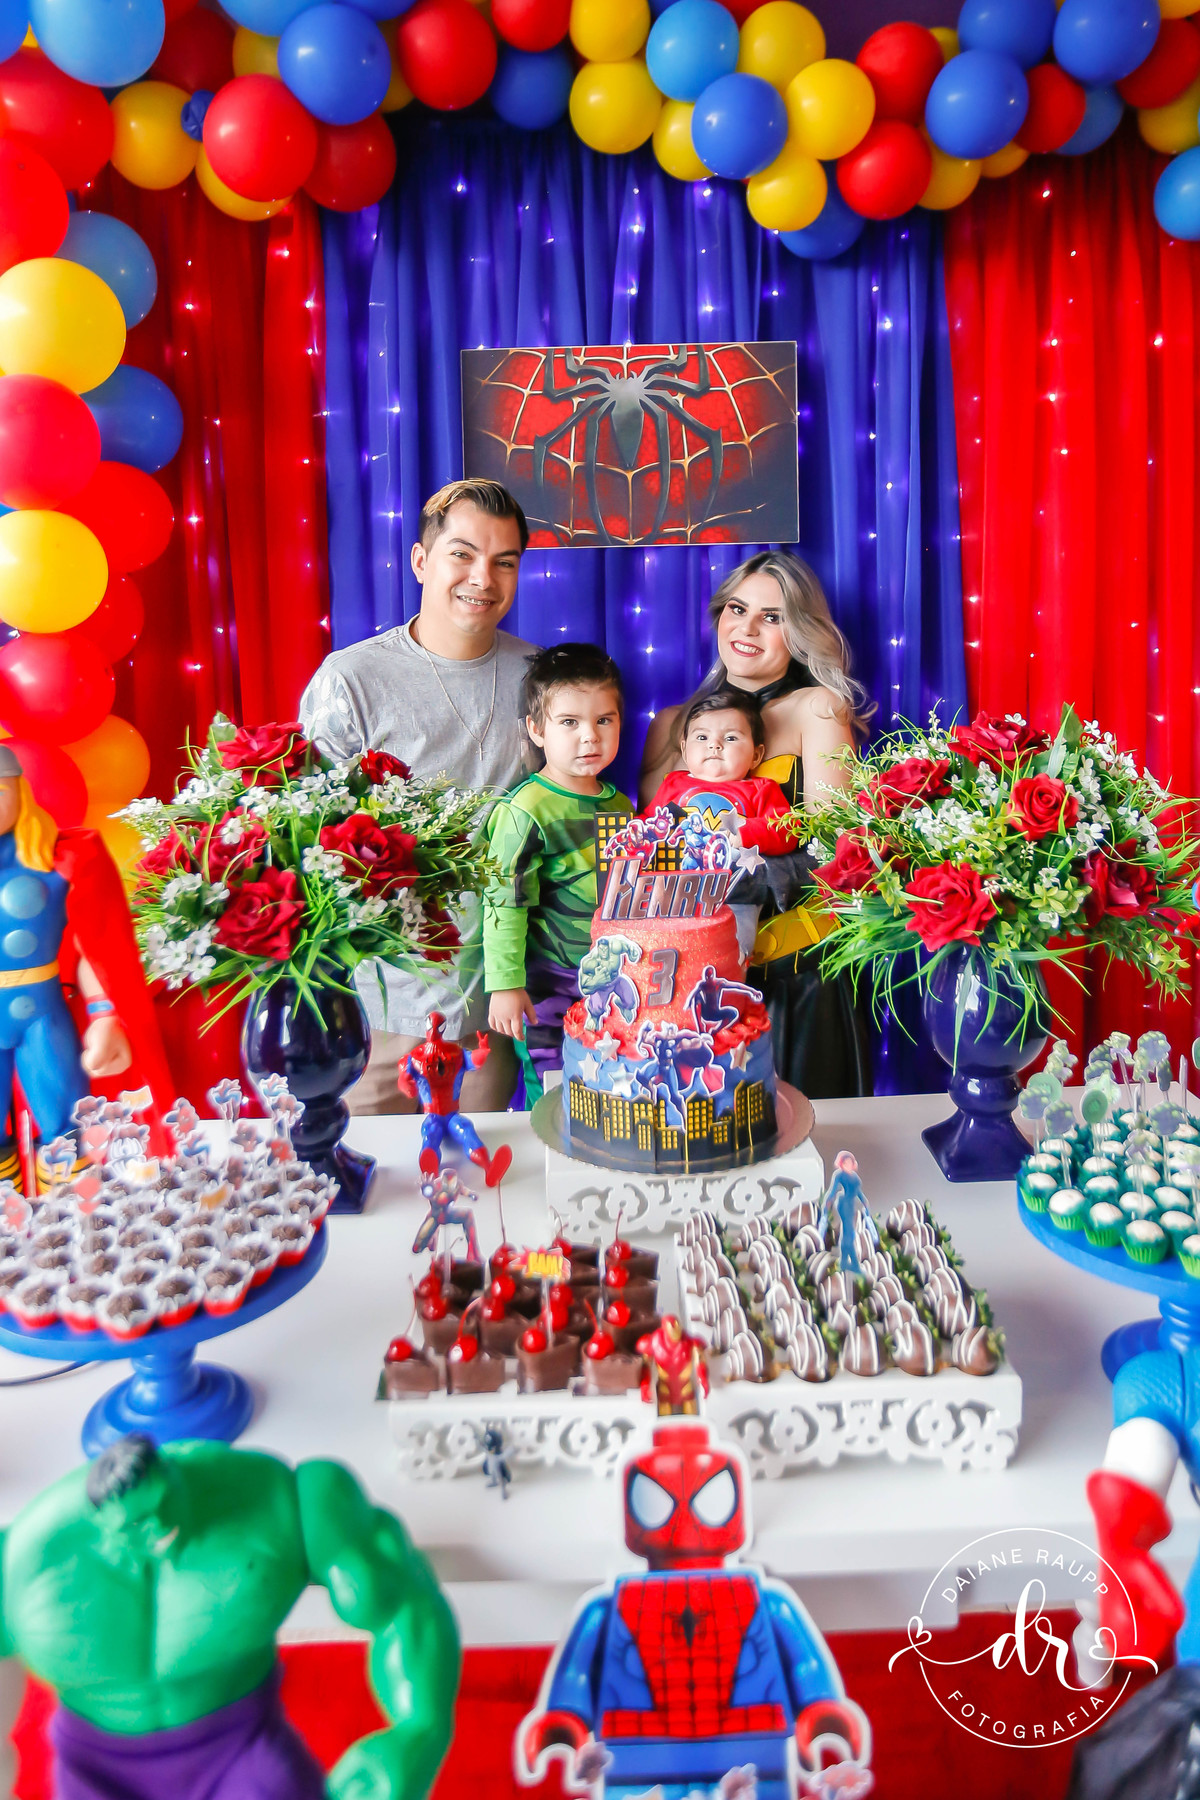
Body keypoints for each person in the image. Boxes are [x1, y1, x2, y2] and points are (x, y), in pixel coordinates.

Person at [0, 1432, 459, 1800]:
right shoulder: (26, 1561)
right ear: (104, 1524)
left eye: (165, 1504)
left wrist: (421, 1728)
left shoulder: (284, 1502)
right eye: (137, 1525)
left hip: (242, 1748)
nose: (158, 1527)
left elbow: (404, 1604)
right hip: (99, 1769)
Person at [300, 478, 539, 1115]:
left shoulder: (540, 678)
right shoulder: (352, 679)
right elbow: (310, 843)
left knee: (477, 1167)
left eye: (504, 561)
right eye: (462, 554)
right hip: (381, 1004)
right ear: (420, 560)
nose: (482, 578)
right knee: (371, 1165)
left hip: (492, 1002)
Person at [639, 551, 872, 1099]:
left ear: (800, 631)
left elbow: (836, 852)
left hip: (796, 972)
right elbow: (650, 849)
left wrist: (742, 869)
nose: (746, 629)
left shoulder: (818, 708)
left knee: (809, 1132)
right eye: (737, 609)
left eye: (772, 617)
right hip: (689, 978)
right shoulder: (670, 725)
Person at [0, 745, 173, 1185]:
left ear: (19, 792)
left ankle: (71, 1215)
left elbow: (95, 945)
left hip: (42, 1017)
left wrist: (104, 1015)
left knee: (64, 1122)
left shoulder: (62, 862)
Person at [483, 643, 632, 1083]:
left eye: (604, 720)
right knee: (553, 1085)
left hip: (612, 980)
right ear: (536, 729)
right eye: (569, 722)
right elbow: (504, 903)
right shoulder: (526, 810)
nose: (590, 736)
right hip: (548, 982)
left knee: (610, 1083)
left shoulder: (621, 806)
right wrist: (506, 984)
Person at [642, 689, 800, 958]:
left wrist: (746, 833)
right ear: (684, 749)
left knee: (731, 951)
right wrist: (640, 838)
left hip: (734, 892)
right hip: (675, 887)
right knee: (666, 942)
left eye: (730, 738)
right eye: (702, 737)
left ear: (756, 755)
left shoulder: (760, 789)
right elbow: (651, 821)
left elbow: (785, 830)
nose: (714, 745)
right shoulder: (674, 784)